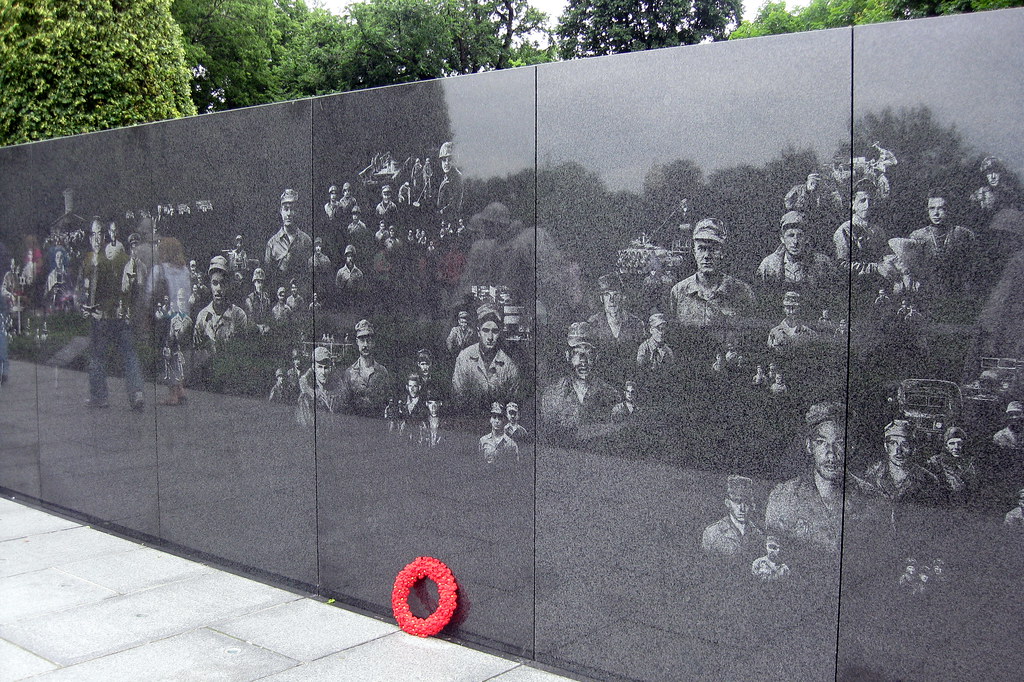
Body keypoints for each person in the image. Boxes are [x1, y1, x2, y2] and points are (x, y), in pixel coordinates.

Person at [765, 402, 874, 554]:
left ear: (850, 447)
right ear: (809, 446)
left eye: (840, 443)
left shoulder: (872, 498)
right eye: (821, 442)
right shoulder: (783, 497)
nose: (831, 453)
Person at [81, 218, 143, 409]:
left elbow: (120, 287)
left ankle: (105, 396)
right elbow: (84, 287)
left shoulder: (107, 259)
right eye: (94, 234)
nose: (97, 238)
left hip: (107, 316)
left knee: (103, 355)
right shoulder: (93, 259)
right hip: (110, 315)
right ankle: (132, 394)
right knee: (123, 355)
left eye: (100, 233)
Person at [539, 322, 621, 440]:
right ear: (568, 356)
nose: (583, 361)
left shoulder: (611, 396)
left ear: (596, 356)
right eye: (577, 353)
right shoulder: (552, 396)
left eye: (588, 352)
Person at [668, 219, 756, 329]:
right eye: (701, 249)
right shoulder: (678, 292)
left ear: (723, 252)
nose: (707, 255)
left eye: (713, 249)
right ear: (694, 252)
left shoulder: (742, 292)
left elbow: (751, 336)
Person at [451, 303, 521, 410]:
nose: (490, 337)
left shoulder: (508, 365)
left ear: (500, 332)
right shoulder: (464, 358)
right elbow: (458, 396)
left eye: (495, 331)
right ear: (478, 331)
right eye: (485, 330)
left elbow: (512, 403)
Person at [908, 190, 976, 296]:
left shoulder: (963, 234)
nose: (936, 213)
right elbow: (912, 269)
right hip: (927, 293)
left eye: (940, 208)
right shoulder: (917, 236)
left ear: (948, 209)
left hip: (957, 293)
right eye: (932, 208)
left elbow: (971, 267)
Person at [861, 419, 940, 506]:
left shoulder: (928, 480)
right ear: (886, 446)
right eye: (893, 443)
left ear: (913, 448)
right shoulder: (871, 475)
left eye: (905, 444)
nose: (898, 450)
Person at [755, 211, 835, 294]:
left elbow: (833, 297)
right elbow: (760, 297)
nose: (795, 241)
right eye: (790, 235)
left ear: (807, 238)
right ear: (782, 238)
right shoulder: (768, 265)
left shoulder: (822, 264)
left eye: (800, 236)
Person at [833, 181, 891, 295]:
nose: (867, 205)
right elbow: (841, 266)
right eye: (862, 201)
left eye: (871, 201)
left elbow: (886, 255)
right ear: (853, 203)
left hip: (880, 288)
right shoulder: (845, 230)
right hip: (855, 289)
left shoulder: (878, 231)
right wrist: (875, 268)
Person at [192, 255, 249, 353]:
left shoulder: (238, 315)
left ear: (228, 285)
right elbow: (197, 354)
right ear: (210, 285)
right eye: (215, 283)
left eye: (222, 283)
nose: (218, 288)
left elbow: (241, 355)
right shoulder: (202, 317)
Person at [701, 475, 765, 558]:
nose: (742, 508)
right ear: (728, 503)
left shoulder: (758, 535)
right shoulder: (713, 533)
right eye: (737, 502)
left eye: (746, 503)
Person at [342, 319, 392, 417]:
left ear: (374, 343)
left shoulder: (382, 372)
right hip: (356, 428)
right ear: (357, 342)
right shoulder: (349, 373)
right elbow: (345, 407)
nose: (365, 345)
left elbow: (388, 403)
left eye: (369, 341)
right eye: (362, 340)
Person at [587, 273, 646, 353]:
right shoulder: (593, 323)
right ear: (602, 298)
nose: (612, 300)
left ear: (621, 297)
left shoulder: (636, 324)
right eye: (607, 295)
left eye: (616, 295)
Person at [265, 189, 313, 279]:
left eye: (292, 209)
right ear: (281, 211)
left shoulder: (306, 241)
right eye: (286, 209)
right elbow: (268, 278)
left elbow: (309, 276)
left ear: (297, 211)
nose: (289, 214)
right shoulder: (272, 244)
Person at [925, 426, 978, 507]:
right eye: (952, 443)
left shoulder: (969, 463)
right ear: (946, 446)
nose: (956, 447)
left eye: (959, 443)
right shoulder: (935, 462)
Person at [297, 345, 348, 426]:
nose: (323, 372)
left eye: (326, 368)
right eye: (320, 367)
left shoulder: (338, 392)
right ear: (314, 368)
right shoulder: (306, 397)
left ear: (330, 368)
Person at [436, 141, 464, 217]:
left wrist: (440, 213)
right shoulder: (446, 177)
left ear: (454, 160)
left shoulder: (457, 178)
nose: (446, 163)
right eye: (444, 160)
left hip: (450, 219)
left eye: (449, 160)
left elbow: (454, 203)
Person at [245, 268, 272, 333]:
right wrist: (258, 327)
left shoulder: (266, 297)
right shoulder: (250, 299)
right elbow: (250, 317)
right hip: (254, 330)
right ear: (254, 283)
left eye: (261, 282)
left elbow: (269, 314)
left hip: (265, 329)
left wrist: (267, 325)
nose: (260, 285)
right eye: (258, 282)